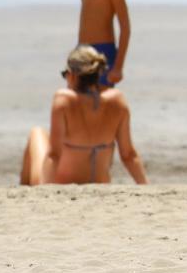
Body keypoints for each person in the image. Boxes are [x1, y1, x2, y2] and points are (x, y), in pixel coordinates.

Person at [20, 45, 149, 185]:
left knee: (37, 133)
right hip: (102, 182)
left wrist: (44, 190)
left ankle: (25, 190)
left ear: (72, 75)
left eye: (65, 74)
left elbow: (54, 155)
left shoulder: (63, 100)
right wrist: (145, 186)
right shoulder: (118, 100)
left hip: (62, 182)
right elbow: (129, 155)